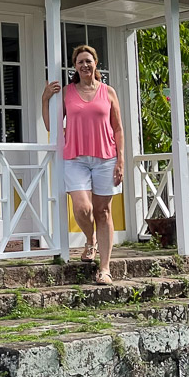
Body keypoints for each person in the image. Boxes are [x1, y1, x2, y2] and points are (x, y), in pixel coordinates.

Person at [41, 45, 125, 284]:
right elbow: (52, 126)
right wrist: (45, 99)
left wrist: (120, 160)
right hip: (75, 158)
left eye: (88, 61)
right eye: (80, 62)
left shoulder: (108, 92)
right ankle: (90, 240)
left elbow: (118, 129)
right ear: (75, 66)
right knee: (82, 208)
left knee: (103, 211)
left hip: (105, 158)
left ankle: (105, 268)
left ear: (95, 63)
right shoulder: (67, 92)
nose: (85, 65)